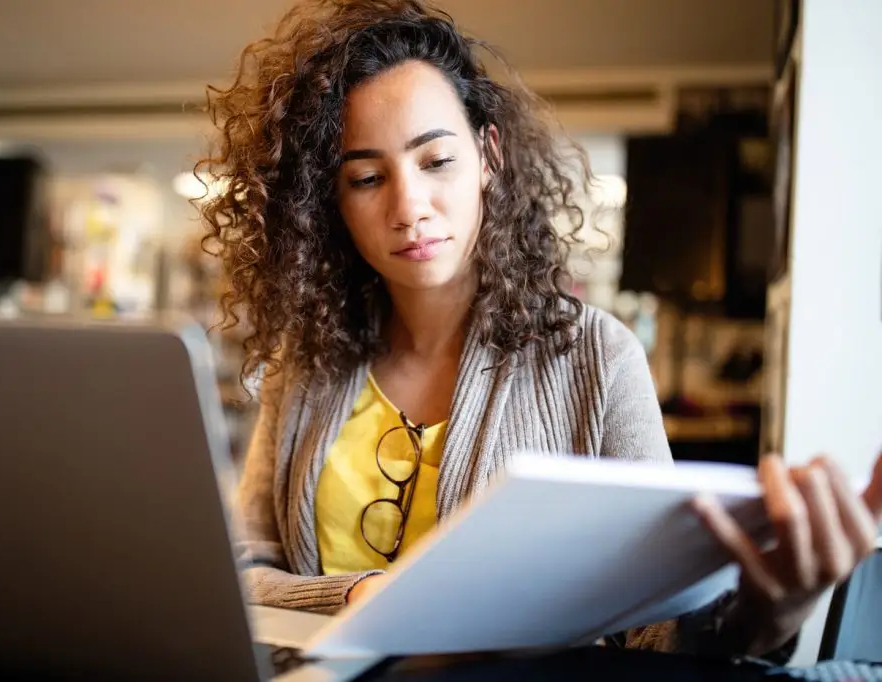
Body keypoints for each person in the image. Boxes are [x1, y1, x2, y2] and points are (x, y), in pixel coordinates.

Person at [194, 0, 882, 660]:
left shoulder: (595, 356)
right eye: (369, 177)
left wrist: (774, 609)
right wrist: (362, 594)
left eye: (436, 162)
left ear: (488, 157)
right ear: (329, 200)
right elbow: (246, 569)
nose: (409, 207)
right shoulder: (304, 365)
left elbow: (658, 625)